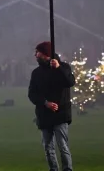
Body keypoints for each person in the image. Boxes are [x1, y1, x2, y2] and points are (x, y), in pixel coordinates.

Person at [28, 41, 75, 171]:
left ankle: (67, 169)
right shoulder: (36, 73)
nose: (35, 55)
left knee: (62, 145)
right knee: (48, 147)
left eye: (37, 52)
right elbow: (32, 94)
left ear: (45, 54)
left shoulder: (64, 67)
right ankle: (53, 169)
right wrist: (45, 103)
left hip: (61, 114)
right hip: (44, 114)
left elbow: (70, 82)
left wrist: (59, 68)